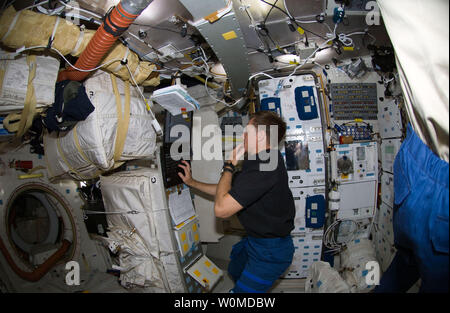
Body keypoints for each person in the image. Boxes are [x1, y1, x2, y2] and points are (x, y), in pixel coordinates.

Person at [178, 110, 295, 293]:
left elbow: (222, 209)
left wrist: (229, 165)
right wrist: (191, 182)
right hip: (256, 241)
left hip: (271, 251)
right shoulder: (261, 161)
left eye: (247, 132)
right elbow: (226, 191)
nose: (243, 136)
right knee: (234, 269)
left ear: (262, 135)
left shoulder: (265, 168)